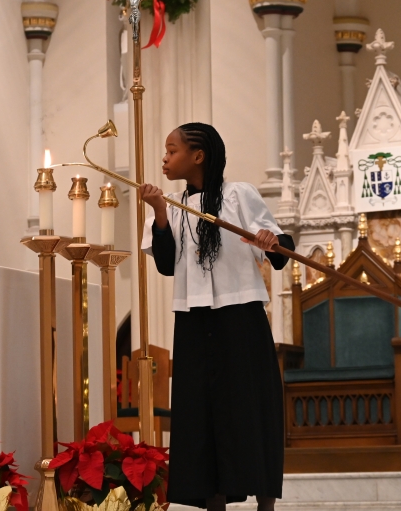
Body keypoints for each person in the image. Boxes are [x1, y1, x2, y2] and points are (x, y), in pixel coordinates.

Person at [139, 122, 295, 511]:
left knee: (251, 407)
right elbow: (164, 264)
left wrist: (269, 242)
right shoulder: (171, 205)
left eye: (171, 150)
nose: (165, 157)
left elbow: (281, 252)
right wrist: (159, 211)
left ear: (199, 155)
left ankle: (265, 505)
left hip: (240, 315)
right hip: (193, 319)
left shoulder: (239, 195)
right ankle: (214, 504)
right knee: (200, 412)